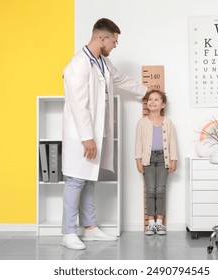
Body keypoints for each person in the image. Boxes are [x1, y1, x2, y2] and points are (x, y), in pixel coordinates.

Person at [61, 18, 147, 250]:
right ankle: (68, 232)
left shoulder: (103, 64)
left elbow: (122, 80)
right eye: (114, 41)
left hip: (94, 134)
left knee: (88, 180)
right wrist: (87, 137)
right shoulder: (78, 65)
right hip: (81, 134)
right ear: (102, 38)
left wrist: (147, 92)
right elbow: (79, 105)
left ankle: (90, 228)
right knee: (75, 180)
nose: (115, 46)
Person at [135, 89, 178, 235]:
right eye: (150, 99)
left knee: (160, 190)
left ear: (163, 104)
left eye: (156, 100)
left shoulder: (168, 122)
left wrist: (174, 159)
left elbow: (172, 142)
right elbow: (138, 143)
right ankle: (151, 223)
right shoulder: (142, 122)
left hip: (163, 159)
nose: (152, 102)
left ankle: (160, 223)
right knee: (150, 190)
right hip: (148, 159)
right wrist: (138, 160)